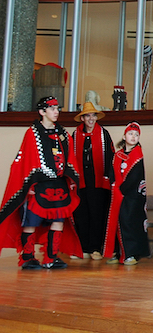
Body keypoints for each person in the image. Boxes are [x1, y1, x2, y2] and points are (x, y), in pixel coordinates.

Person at [0, 96, 82, 269]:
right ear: (42, 112)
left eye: (57, 109)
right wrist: (27, 185)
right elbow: (25, 160)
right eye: (52, 109)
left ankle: (51, 257)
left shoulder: (63, 134)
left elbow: (70, 159)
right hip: (38, 185)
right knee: (31, 222)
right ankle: (28, 257)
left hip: (59, 185)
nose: (56, 112)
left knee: (58, 220)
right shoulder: (32, 133)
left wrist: (71, 179)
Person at [71, 101, 115, 260]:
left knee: (97, 214)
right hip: (80, 180)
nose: (91, 118)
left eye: (93, 115)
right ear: (82, 118)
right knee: (81, 214)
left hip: (98, 181)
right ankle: (82, 247)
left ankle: (95, 248)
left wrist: (108, 179)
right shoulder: (75, 135)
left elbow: (111, 158)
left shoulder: (104, 134)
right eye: (88, 115)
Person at [103, 122, 149, 265]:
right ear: (124, 136)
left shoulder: (137, 155)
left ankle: (130, 254)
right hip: (117, 195)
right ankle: (117, 252)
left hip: (132, 197)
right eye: (130, 134)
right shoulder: (118, 155)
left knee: (129, 223)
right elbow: (112, 172)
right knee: (116, 222)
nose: (133, 137)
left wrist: (121, 190)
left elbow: (135, 177)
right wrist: (113, 185)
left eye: (136, 135)